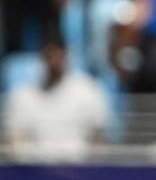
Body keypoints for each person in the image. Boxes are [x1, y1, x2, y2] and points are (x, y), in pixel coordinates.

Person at [3, 26, 110, 162]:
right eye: (48, 54)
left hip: (79, 171)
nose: (53, 60)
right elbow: (15, 140)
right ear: (41, 56)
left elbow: (99, 139)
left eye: (57, 53)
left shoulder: (89, 91)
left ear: (66, 53)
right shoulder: (23, 96)